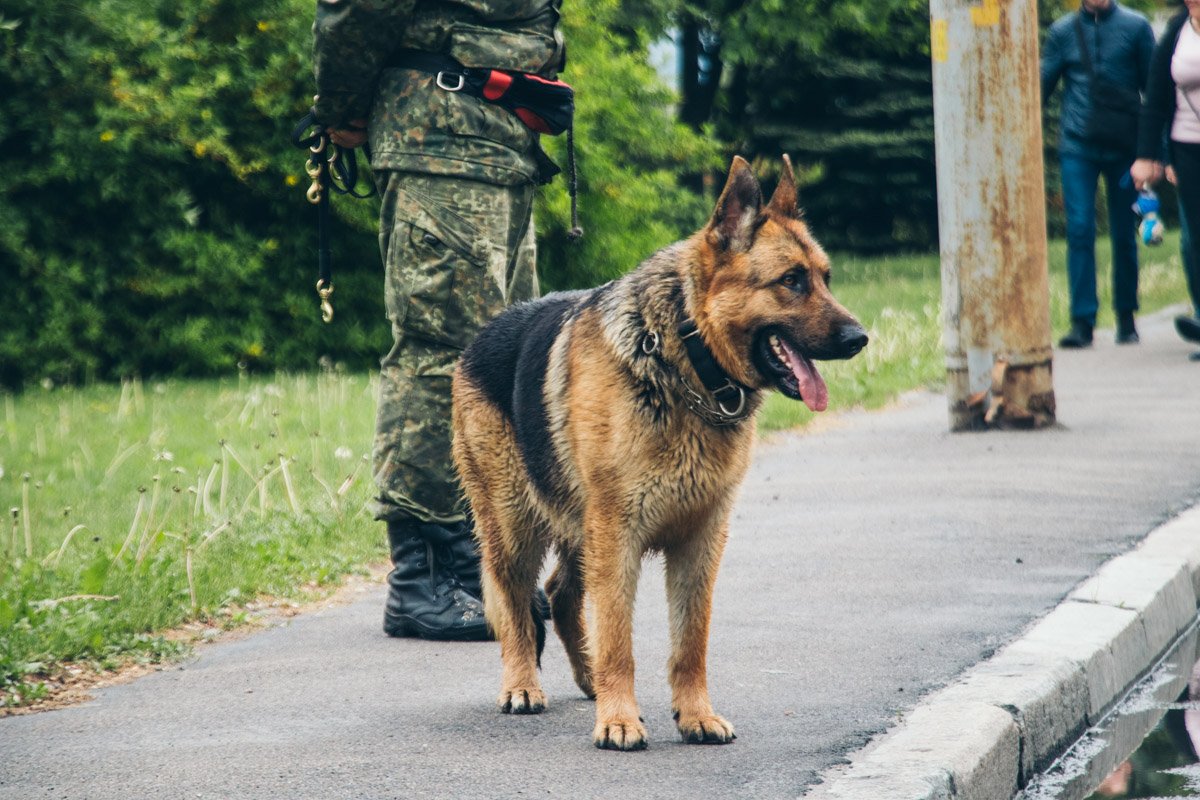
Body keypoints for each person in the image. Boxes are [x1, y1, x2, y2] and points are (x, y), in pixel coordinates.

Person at [312, 0, 565, 639]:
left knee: (507, 352)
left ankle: (489, 562)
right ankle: (425, 576)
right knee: (441, 353)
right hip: (441, 138)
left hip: (501, 136)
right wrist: (341, 107)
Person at [1042, 0, 1155, 348]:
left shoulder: (1136, 27)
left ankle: (1126, 316)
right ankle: (1082, 321)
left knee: (1124, 233)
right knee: (1079, 229)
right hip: (1078, 146)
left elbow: (1155, 94)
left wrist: (1152, 154)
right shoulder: (1062, 31)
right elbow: (1039, 89)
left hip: (1125, 147)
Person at [1130, 0, 1200, 361]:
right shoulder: (1176, 32)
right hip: (1187, 146)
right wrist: (1147, 156)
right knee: (1195, 240)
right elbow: (1155, 97)